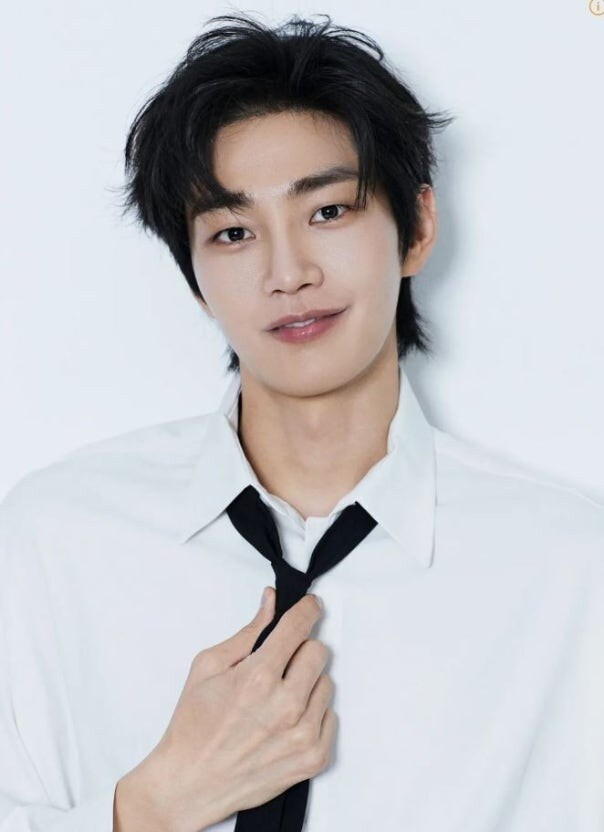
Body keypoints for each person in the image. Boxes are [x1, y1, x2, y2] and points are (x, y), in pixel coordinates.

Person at [1, 11, 603, 832]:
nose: (287, 273)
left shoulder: (568, 572)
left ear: (418, 227)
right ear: (194, 278)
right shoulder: (54, 541)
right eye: (234, 232)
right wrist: (147, 810)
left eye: (327, 212)